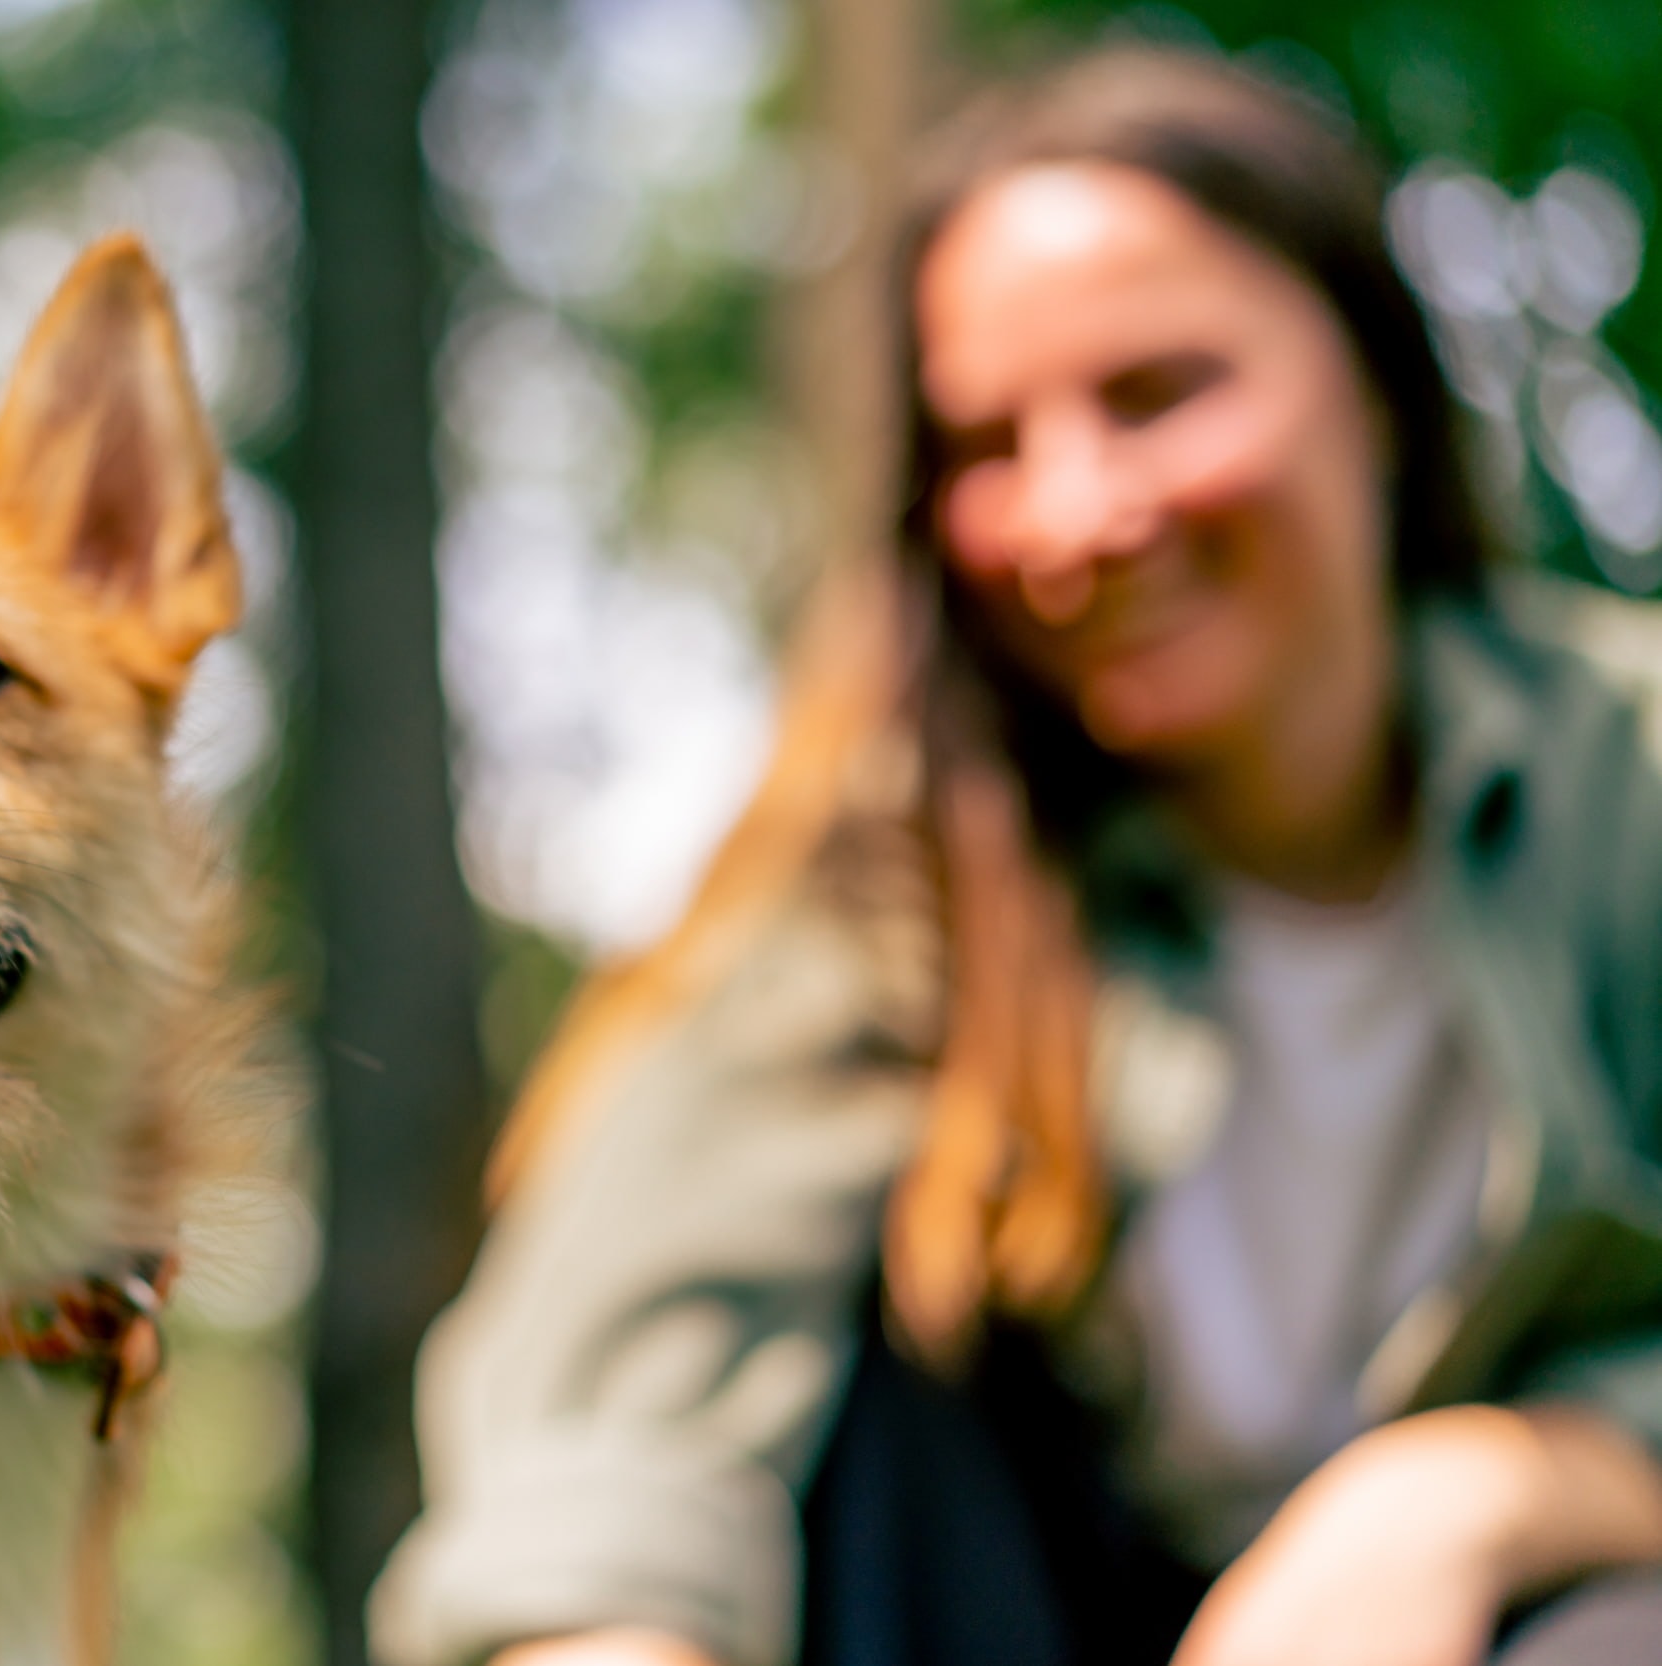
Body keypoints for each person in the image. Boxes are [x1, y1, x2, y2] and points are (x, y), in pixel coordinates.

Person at [369, 46, 1662, 1666]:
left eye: (1157, 393)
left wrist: (1478, 1492)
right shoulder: (888, 877)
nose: (1074, 516)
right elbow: (610, 1421)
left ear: (1380, 389)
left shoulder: (1630, 778)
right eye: (987, 443)